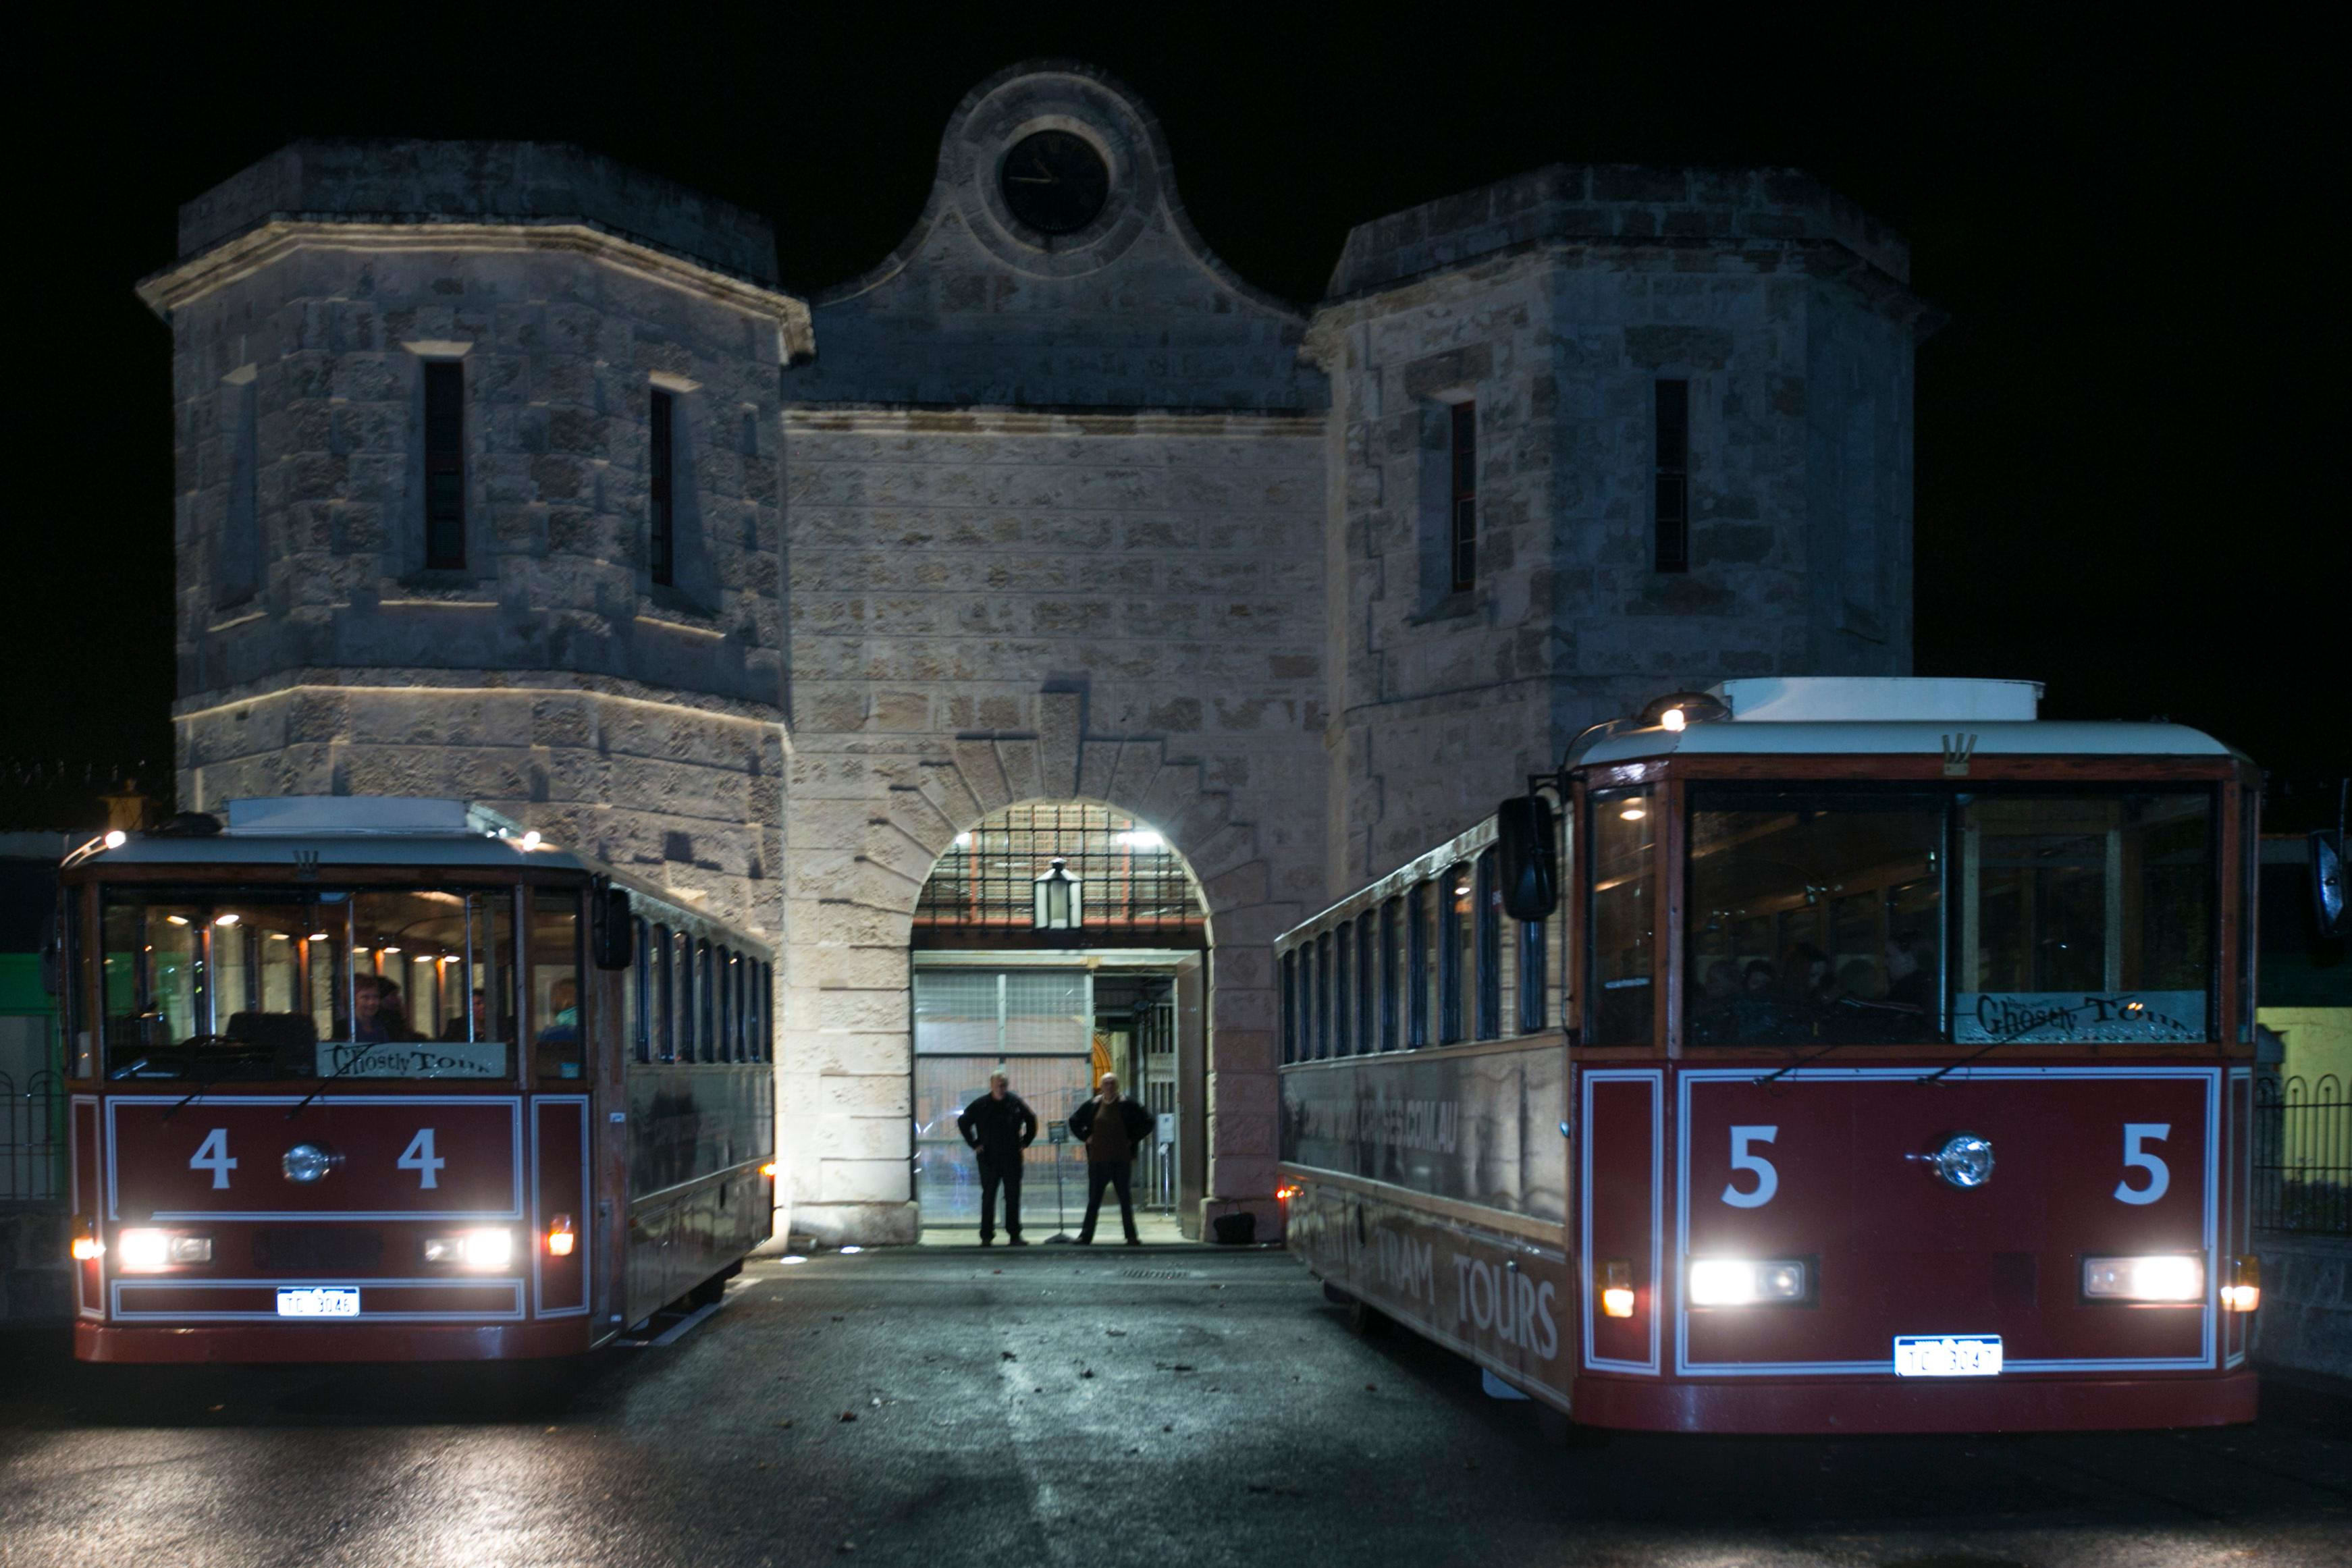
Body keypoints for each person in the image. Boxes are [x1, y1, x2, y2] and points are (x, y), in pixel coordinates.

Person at [1068, 1073, 1156, 1246]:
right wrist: (1086, 1136)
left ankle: (1131, 1236)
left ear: (1117, 1085)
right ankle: (1086, 1236)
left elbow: (1149, 1121)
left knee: (1124, 1199)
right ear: (1101, 1086)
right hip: (1098, 1160)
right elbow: (1074, 1120)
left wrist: (1133, 1138)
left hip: (1121, 1159)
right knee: (1094, 1199)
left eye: (1112, 1083)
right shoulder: (1094, 1104)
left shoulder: (1128, 1104)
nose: (1109, 1086)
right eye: (1106, 1083)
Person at [956, 1071, 1038, 1246]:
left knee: (1013, 1196)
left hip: (1011, 1157)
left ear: (1007, 1086)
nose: (1001, 1088)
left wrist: (1026, 1140)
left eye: (1004, 1085)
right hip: (989, 1159)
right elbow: (963, 1122)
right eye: (998, 1085)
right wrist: (974, 1143)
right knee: (989, 1196)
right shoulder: (981, 1104)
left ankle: (1014, 1234)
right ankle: (987, 1235)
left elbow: (1031, 1119)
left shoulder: (1014, 1103)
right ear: (991, 1085)